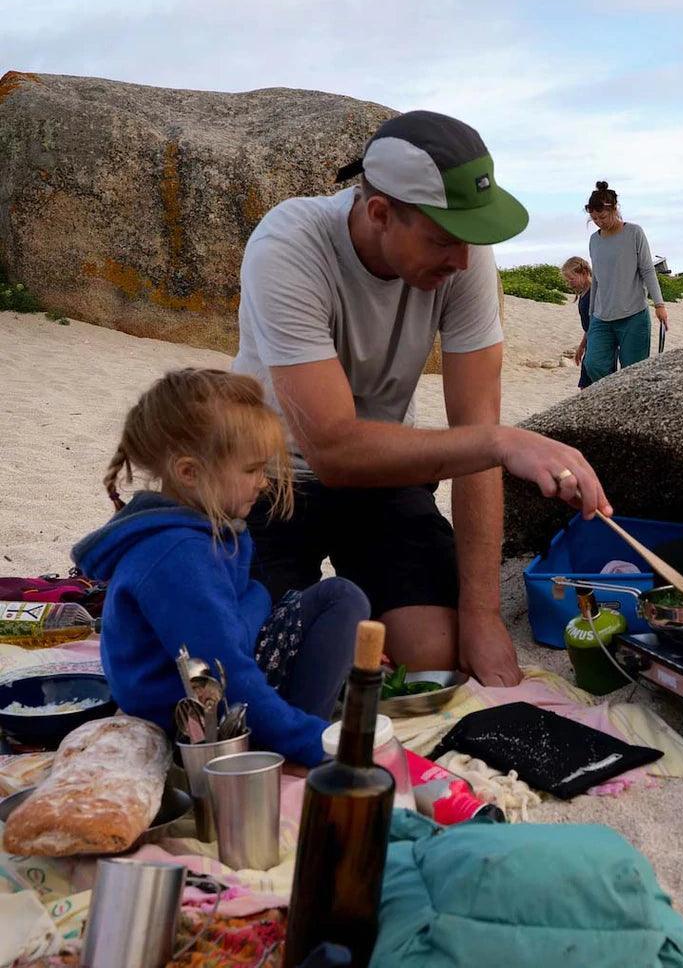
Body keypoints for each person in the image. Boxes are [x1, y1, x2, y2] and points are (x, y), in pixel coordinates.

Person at [232, 110, 611, 688]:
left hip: (387, 474)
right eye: (441, 238)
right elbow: (333, 448)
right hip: (269, 478)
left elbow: (477, 436)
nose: (460, 260)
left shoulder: (463, 255)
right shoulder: (290, 244)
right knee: (289, 667)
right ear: (380, 212)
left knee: (432, 657)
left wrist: (481, 616)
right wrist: (500, 442)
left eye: (467, 239)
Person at [72, 369, 369, 766]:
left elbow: (223, 626)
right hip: (187, 717)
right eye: (252, 470)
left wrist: (256, 599)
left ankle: (288, 726)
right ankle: (286, 742)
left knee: (332, 596)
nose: (263, 483)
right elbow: (215, 674)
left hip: (200, 678)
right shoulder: (178, 554)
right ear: (189, 472)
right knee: (341, 600)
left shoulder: (201, 526)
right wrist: (313, 742)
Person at [583, 181, 669, 383]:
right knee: (594, 364)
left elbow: (647, 269)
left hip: (633, 314)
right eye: (594, 218)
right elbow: (596, 278)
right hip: (601, 316)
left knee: (634, 372)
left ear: (614, 209)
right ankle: (612, 396)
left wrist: (659, 304)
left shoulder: (634, 233)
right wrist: (591, 314)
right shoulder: (594, 240)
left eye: (602, 217)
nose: (599, 222)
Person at [560, 256, 598, 388]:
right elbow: (588, 327)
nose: (569, 283)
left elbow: (594, 323)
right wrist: (581, 347)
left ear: (584, 273)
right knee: (585, 383)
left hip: (599, 341)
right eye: (567, 280)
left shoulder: (594, 292)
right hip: (590, 341)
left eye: (571, 278)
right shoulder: (583, 293)